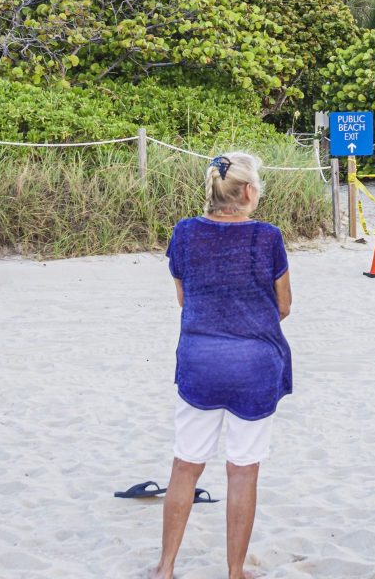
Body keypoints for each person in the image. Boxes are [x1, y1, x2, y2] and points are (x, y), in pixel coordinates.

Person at [149, 153, 292, 579]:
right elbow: (283, 306)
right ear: (249, 192)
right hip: (254, 364)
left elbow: (183, 296)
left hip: (200, 360)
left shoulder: (186, 232)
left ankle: (166, 566)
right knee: (243, 470)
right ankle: (234, 572)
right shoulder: (268, 237)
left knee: (185, 464)